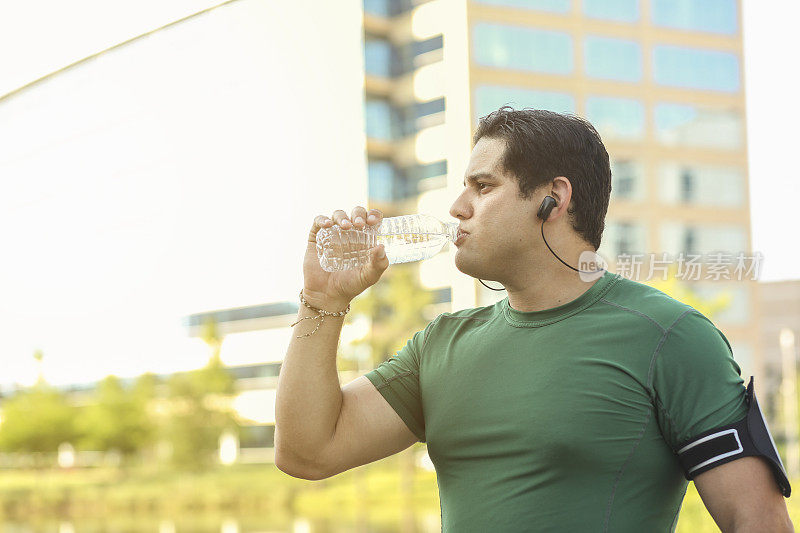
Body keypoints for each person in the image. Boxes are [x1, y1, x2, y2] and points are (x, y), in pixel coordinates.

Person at [275, 107, 793, 532]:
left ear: (554, 199)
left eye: (483, 186)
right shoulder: (442, 344)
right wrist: (321, 302)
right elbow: (307, 451)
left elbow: (758, 521)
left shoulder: (672, 337)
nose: (457, 207)